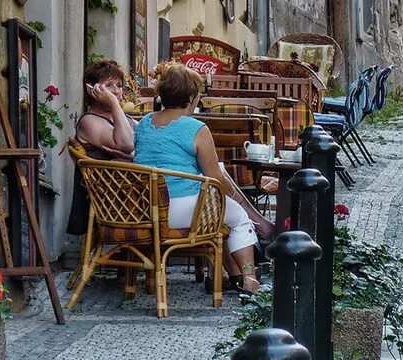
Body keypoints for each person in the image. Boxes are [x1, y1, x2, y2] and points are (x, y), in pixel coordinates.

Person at [134, 63, 275, 293]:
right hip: (180, 210)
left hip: (143, 208)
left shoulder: (145, 124)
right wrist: (235, 198)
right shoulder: (196, 128)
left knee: (225, 204)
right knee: (238, 218)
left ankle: (234, 276)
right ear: (191, 96)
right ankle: (250, 281)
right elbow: (215, 178)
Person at [65, 59, 138, 237]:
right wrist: (114, 104)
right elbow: (126, 144)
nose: (116, 91)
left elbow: (147, 142)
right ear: (92, 90)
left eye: (119, 86)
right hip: (116, 199)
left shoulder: (119, 117)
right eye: (109, 85)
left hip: (130, 191)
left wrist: (133, 155)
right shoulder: (90, 121)